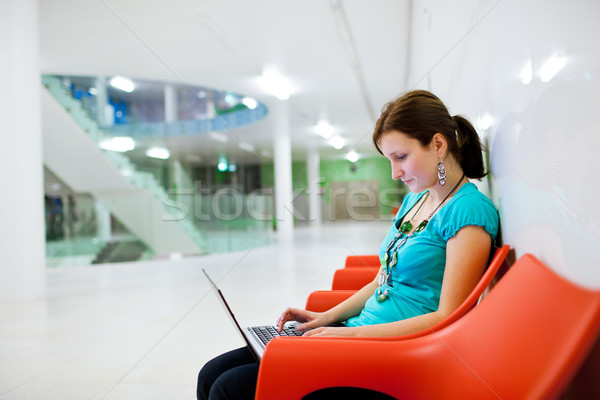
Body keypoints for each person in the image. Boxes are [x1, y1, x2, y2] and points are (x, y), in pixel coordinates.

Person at [197, 90, 499, 400]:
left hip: (393, 352)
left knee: (227, 389)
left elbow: (446, 317)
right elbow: (382, 280)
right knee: (210, 373)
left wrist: (346, 335)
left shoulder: (468, 210)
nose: (394, 172)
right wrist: (325, 318)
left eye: (401, 157)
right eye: (389, 160)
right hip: (356, 333)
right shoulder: (415, 200)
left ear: (438, 145)